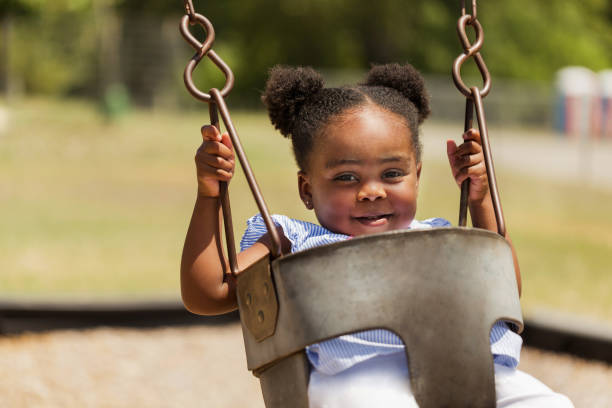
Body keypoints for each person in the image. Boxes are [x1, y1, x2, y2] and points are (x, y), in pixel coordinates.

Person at [181, 63, 573, 407]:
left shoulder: (437, 237)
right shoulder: (292, 238)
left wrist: (482, 200)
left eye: (391, 174)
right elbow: (209, 292)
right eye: (346, 177)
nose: (372, 191)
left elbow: (503, 289)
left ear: (417, 177)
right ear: (306, 189)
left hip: (471, 371)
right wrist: (210, 194)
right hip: (358, 380)